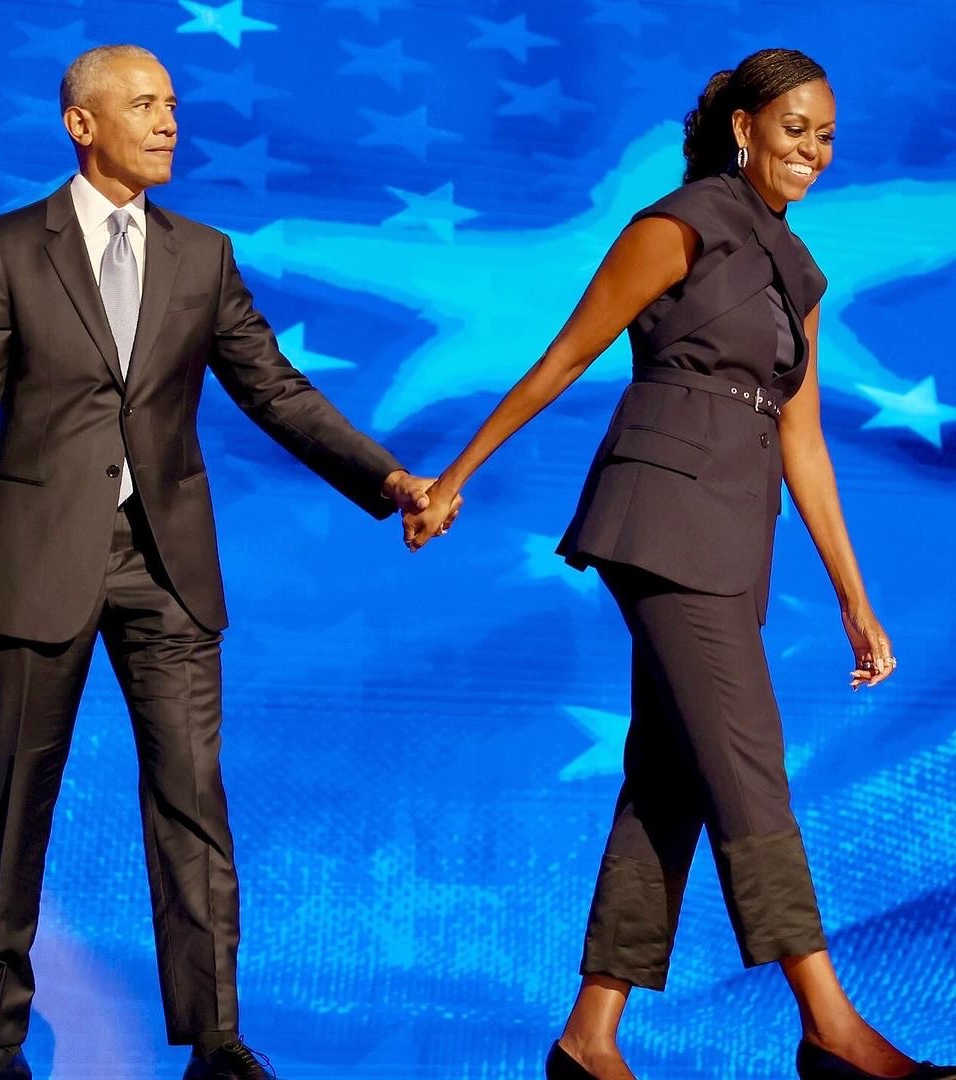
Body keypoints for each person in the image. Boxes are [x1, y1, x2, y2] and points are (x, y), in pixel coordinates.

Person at [404, 48, 954, 1080]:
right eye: (795, 128)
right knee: (748, 761)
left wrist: (854, 599)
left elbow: (803, 442)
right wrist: (455, 476)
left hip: (738, 533)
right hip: (660, 515)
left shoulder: (800, 271)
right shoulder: (679, 223)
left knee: (670, 777)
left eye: (827, 135)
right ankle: (830, 1025)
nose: (813, 150)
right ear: (744, 127)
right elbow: (567, 354)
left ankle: (589, 1036)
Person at [0, 44, 458, 1080]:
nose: (169, 121)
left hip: (167, 566)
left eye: (172, 103)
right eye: (144, 105)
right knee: (17, 800)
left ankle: (215, 1039)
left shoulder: (201, 254)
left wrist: (388, 477)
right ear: (82, 124)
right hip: (35, 565)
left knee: (192, 799)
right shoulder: (5, 249)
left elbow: (276, 389)